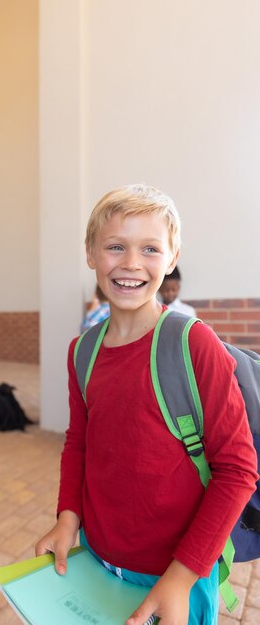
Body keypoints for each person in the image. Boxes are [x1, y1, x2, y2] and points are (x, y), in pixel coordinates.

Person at [35, 184, 258, 625]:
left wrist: (181, 577)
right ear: (91, 254)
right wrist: (67, 519)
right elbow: (78, 442)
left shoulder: (194, 344)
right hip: (99, 559)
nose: (131, 263)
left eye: (150, 249)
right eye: (115, 246)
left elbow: (238, 470)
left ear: (172, 259)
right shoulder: (82, 351)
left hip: (178, 574)